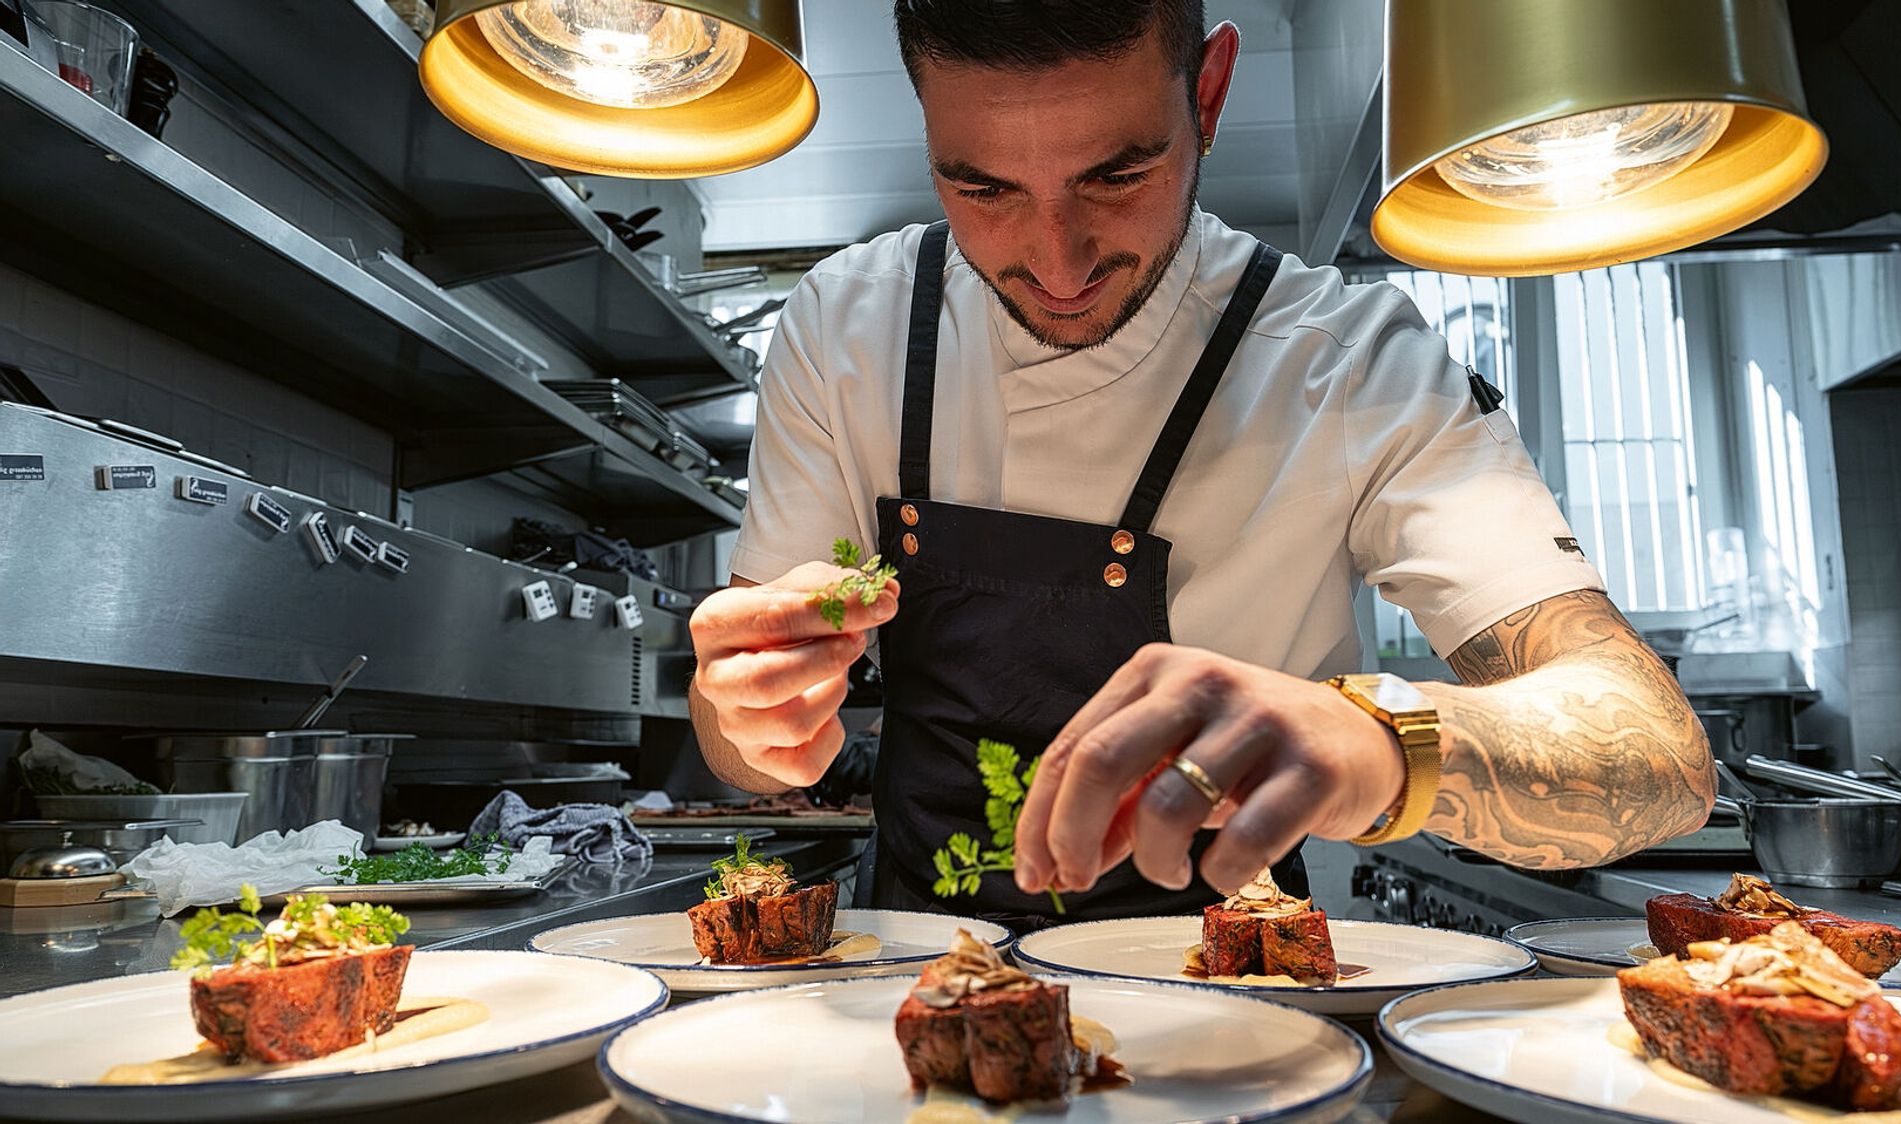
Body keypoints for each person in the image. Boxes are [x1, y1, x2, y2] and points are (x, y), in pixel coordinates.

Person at [689, 0, 1712, 927]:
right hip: (918, 974)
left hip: (1237, 991)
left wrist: (1370, 736)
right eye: (982, 188)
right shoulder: (847, 326)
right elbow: (738, 748)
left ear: (1209, 93)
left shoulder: (1349, 362)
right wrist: (750, 713)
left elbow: (1658, 754)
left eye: (1117, 176)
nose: (1057, 262)